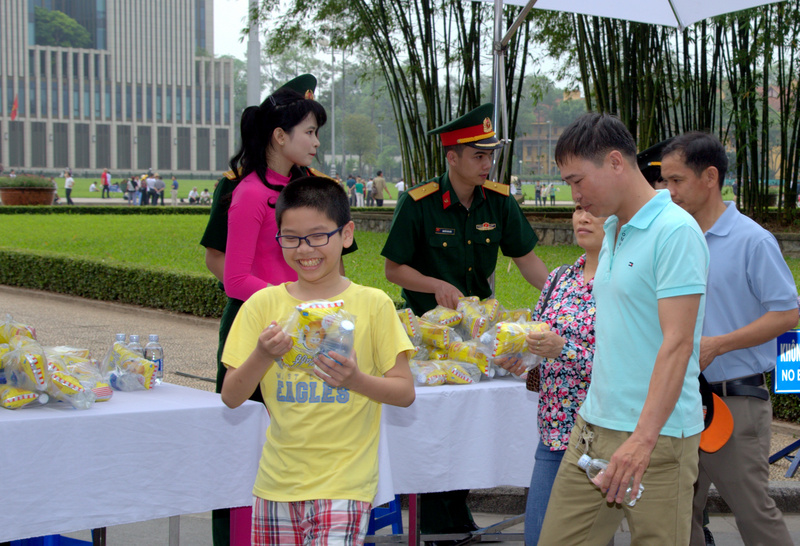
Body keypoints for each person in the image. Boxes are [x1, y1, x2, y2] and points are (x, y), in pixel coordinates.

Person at [200, 75, 358, 546]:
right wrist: (293, 304)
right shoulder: (248, 193)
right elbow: (235, 278)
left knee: (303, 434)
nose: (316, 142)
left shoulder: (310, 189)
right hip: (260, 331)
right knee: (243, 447)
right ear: (279, 136)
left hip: (307, 330)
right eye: (309, 132)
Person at [537, 113, 709, 545]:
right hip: (592, 427)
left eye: (578, 181)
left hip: (657, 436)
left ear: (615, 162)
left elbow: (678, 343)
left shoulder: (675, 232)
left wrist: (642, 440)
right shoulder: (613, 228)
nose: (575, 197)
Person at [381, 102, 549, 542]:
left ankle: (455, 515)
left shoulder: (499, 201)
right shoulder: (418, 203)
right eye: (478, 155)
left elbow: (527, 260)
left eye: (489, 155)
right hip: (430, 335)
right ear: (452, 157)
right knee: (438, 425)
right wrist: (434, 283)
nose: (486, 163)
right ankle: (439, 522)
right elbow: (394, 269)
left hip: (477, 334)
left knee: (472, 422)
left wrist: (563, 293)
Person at [220, 176, 415, 546]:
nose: (304, 249)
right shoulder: (262, 305)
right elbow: (231, 396)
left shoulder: (373, 304)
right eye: (291, 238)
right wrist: (263, 354)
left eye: (317, 236)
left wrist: (355, 380)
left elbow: (405, 392)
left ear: (346, 234)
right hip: (276, 483)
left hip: (345, 483)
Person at [660, 132, 799, 546]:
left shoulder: (753, 241)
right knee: (676, 514)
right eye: (664, 180)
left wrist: (718, 345)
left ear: (710, 177)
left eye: (676, 180)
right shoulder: (672, 238)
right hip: (679, 398)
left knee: (753, 513)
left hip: (734, 402)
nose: (668, 191)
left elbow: (788, 314)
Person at [499, 203, 602, 545]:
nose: (583, 217)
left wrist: (564, 350)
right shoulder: (560, 278)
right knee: (539, 537)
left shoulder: (625, 282)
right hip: (554, 433)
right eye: (578, 208)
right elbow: (540, 340)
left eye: (594, 210)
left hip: (601, 435)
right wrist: (521, 356)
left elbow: (629, 365)